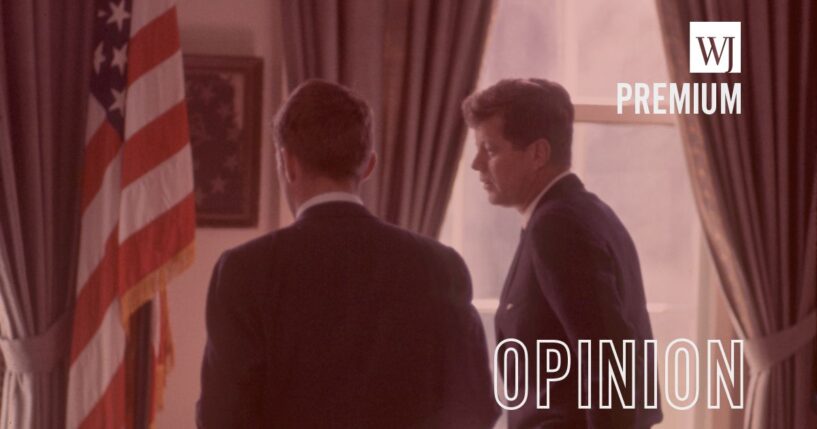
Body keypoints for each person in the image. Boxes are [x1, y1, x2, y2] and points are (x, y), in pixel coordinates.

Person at [197, 79, 498, 428]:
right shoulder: (440, 265)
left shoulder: (243, 271)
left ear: (288, 163)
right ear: (368, 165)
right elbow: (475, 408)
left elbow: (224, 418)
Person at [463, 78, 663, 428]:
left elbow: (611, 360)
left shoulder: (558, 226)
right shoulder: (585, 212)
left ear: (538, 153)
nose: (476, 164)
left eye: (490, 149)